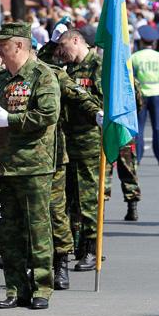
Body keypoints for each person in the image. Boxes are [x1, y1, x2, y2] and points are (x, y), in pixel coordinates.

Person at [0, 22, 59, 310]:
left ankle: (42, 288)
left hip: (34, 165)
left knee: (37, 229)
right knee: (9, 232)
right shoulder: (1, 78)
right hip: (5, 165)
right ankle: (15, 289)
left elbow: (47, 114)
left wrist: (10, 121)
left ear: (19, 46)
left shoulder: (42, 76)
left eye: (3, 44)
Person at [56, 29, 104, 271]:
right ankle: (76, 245)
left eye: (64, 44)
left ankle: (92, 248)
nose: (61, 50)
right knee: (70, 199)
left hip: (89, 142)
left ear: (76, 40)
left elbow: (105, 103)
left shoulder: (98, 66)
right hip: (67, 142)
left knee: (88, 198)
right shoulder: (68, 68)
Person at [132, 25, 159, 165]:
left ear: (141, 41)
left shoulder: (135, 57)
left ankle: (137, 158)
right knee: (158, 127)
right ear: (153, 42)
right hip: (156, 94)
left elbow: (132, 77)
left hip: (140, 95)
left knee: (139, 128)